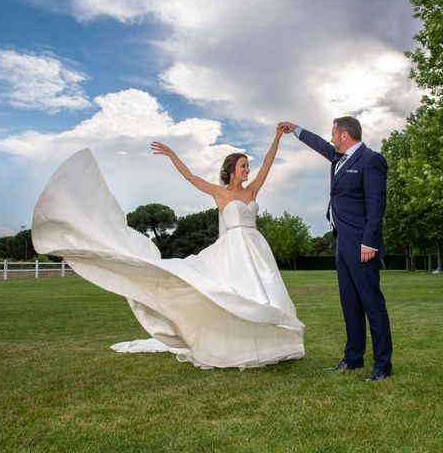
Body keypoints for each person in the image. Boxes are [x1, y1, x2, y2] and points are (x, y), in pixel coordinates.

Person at [31, 125, 304, 370]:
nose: (248, 170)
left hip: (256, 247)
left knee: (264, 293)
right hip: (234, 250)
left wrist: (277, 136)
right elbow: (189, 176)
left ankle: (272, 344)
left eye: (248, 166)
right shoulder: (220, 193)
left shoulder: (251, 191)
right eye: (244, 166)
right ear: (232, 169)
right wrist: (172, 154)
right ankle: (240, 345)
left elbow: (269, 163)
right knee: (234, 294)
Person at [278, 117, 392, 381]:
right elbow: (319, 144)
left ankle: (383, 365)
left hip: (362, 244)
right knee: (349, 303)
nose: (330, 137)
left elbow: (377, 206)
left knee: (372, 304)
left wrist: (369, 243)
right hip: (342, 242)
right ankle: (353, 358)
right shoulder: (338, 158)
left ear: (344, 135)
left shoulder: (371, 160)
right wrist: (296, 129)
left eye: (333, 133)